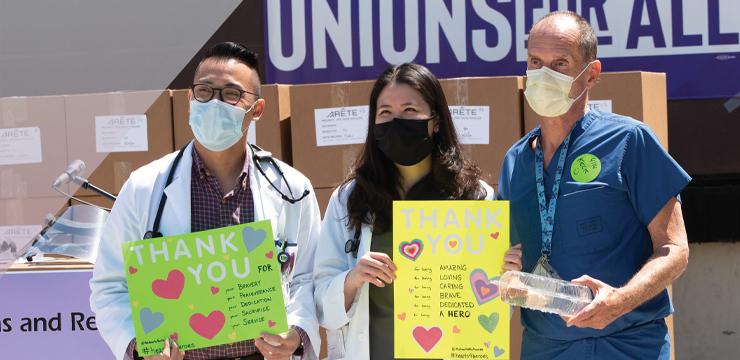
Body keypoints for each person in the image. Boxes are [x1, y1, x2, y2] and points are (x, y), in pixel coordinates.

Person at [90, 43, 321, 360]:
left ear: (257, 110)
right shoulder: (143, 188)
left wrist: (297, 331)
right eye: (204, 91)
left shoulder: (293, 188)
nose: (214, 103)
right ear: (189, 100)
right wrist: (139, 346)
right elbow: (110, 286)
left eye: (231, 94)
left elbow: (308, 278)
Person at [498, 11, 691, 360]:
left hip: (631, 346)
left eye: (560, 64)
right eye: (535, 62)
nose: (544, 75)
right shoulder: (515, 161)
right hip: (545, 349)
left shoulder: (630, 141)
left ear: (591, 74)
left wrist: (620, 301)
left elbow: (675, 250)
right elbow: (505, 258)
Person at [313, 63, 495, 360]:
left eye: (410, 110)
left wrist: (504, 276)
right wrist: (352, 279)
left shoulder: (475, 197)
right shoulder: (350, 198)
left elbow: (494, 305)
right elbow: (322, 301)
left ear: (436, 120)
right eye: (385, 112)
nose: (396, 121)